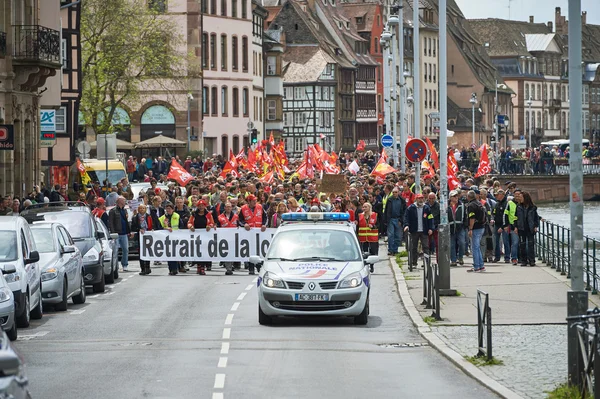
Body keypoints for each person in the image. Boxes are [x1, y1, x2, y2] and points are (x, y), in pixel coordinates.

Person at [239, 194, 267, 275]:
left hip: (259, 233)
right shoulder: (243, 209)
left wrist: (264, 224)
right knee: (250, 251)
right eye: (253, 201)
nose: (255, 202)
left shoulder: (260, 207)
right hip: (248, 233)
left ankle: (259, 266)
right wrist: (244, 224)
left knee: (258, 250)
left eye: (255, 200)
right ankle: (251, 268)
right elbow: (240, 219)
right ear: (249, 201)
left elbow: (265, 217)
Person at [403, 194, 433, 269]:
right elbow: (406, 218)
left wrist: (431, 228)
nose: (421, 200)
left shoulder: (426, 208)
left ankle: (426, 262)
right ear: (416, 199)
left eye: (422, 198)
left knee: (425, 246)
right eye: (419, 198)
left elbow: (430, 218)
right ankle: (414, 262)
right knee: (414, 247)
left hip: (424, 230)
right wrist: (406, 225)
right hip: (414, 230)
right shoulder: (411, 208)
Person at [187, 200, 215, 275]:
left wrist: (209, 226)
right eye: (199, 206)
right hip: (196, 236)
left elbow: (212, 223)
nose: (201, 207)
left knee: (204, 251)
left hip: (205, 235)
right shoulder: (194, 214)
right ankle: (198, 266)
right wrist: (191, 226)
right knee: (197, 251)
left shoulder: (208, 214)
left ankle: (202, 267)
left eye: (202, 205)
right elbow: (189, 222)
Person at [159, 202, 185, 275]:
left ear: (173, 209)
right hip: (167, 239)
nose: (168, 210)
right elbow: (159, 227)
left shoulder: (177, 216)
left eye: (169, 209)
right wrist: (165, 228)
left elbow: (181, 226)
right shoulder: (162, 218)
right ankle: (171, 269)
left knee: (176, 254)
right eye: (167, 209)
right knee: (169, 254)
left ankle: (176, 268)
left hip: (176, 238)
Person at [108, 196, 133, 272]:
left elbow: (126, 221)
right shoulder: (113, 211)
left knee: (125, 249)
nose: (125, 202)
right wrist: (113, 233)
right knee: (115, 250)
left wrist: (129, 231)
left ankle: (125, 264)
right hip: (117, 233)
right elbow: (111, 223)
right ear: (119, 201)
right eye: (124, 200)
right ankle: (115, 265)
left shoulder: (124, 210)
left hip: (124, 233)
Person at [516, 191, 540, 266]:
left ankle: (531, 260)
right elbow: (515, 217)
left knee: (531, 244)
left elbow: (536, 217)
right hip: (521, 228)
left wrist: (536, 226)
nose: (519, 198)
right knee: (522, 245)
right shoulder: (519, 206)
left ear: (525, 198)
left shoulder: (533, 207)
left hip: (530, 228)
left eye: (521, 197)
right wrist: (515, 226)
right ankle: (524, 260)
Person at [131, 204, 156, 275]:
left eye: (143, 208)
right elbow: (133, 227)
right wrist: (139, 229)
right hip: (140, 237)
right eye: (140, 208)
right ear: (138, 210)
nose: (142, 210)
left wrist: (152, 229)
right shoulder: (135, 217)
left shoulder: (149, 216)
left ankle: (148, 267)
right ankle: (143, 268)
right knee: (141, 253)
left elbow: (152, 225)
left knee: (147, 251)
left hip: (148, 237)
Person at [466, 190, 486, 272]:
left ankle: (476, 266)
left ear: (468, 197)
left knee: (474, 247)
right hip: (481, 227)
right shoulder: (479, 203)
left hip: (475, 228)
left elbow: (472, 218)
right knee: (477, 247)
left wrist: (470, 229)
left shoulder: (471, 205)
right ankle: (481, 265)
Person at [217, 202, 239, 275]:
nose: (229, 208)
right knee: (227, 252)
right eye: (227, 207)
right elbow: (217, 226)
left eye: (230, 207)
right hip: (224, 238)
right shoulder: (220, 217)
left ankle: (232, 265)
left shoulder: (236, 216)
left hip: (234, 238)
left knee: (233, 252)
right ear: (225, 208)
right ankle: (228, 268)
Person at [448, 190, 467, 266]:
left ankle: (460, 257)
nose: (456, 197)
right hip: (451, 227)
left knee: (462, 243)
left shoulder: (462, 205)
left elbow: (465, 216)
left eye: (456, 196)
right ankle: (453, 260)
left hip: (460, 227)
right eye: (454, 196)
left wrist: (465, 225)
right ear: (450, 197)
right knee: (452, 245)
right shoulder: (447, 206)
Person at [358, 202, 378, 273]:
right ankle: (366, 267)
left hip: (372, 237)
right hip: (363, 237)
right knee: (364, 253)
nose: (364, 208)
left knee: (373, 252)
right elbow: (358, 226)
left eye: (365, 207)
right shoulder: (360, 215)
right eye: (363, 207)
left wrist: (373, 226)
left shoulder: (374, 215)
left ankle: (372, 266)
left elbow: (379, 225)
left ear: (369, 208)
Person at [384, 187, 405, 256]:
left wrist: (401, 220)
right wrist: (386, 220)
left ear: (398, 192)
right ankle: (390, 250)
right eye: (393, 192)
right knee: (390, 235)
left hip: (398, 219)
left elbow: (404, 211)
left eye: (396, 192)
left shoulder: (401, 200)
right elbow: (386, 210)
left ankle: (395, 249)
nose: (394, 194)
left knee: (398, 236)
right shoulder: (390, 200)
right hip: (391, 219)